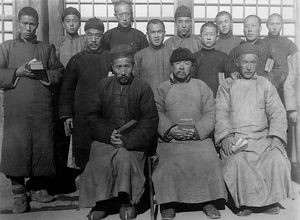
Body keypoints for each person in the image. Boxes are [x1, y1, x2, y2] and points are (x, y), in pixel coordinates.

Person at [79, 44, 159, 220]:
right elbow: (92, 115)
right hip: (107, 140)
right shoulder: (103, 86)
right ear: (112, 68)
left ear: (133, 67)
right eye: (118, 67)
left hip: (133, 142)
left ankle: (127, 201)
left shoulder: (142, 88)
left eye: (127, 66)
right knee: (99, 161)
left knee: (125, 159)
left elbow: (149, 121)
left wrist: (127, 140)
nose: (123, 71)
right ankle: (102, 204)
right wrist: (109, 134)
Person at [215, 43, 293, 216]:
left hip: (262, 139)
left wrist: (276, 137)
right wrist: (226, 136)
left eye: (252, 62)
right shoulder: (227, 85)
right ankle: (243, 202)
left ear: (257, 63)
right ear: (237, 63)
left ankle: (270, 200)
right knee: (237, 162)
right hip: (237, 140)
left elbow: (277, 113)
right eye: (245, 62)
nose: (249, 67)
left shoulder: (265, 84)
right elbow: (220, 114)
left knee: (276, 159)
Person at [0, 7, 64, 213]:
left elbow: (59, 71)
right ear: (18, 24)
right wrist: (16, 72)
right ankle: (18, 190)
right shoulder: (6, 47)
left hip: (41, 108)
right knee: (17, 146)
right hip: (17, 108)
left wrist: (45, 74)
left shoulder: (46, 48)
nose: (28, 28)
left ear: (37, 25)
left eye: (32, 24)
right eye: (24, 23)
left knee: (41, 144)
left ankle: (37, 187)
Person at [152, 47, 227, 220]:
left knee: (209, 159)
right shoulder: (162, 88)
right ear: (171, 66)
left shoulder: (202, 87)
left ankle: (207, 201)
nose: (181, 67)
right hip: (170, 139)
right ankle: (169, 203)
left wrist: (197, 131)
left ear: (192, 66)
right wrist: (171, 130)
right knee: (168, 163)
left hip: (198, 138)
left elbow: (210, 113)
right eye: (177, 63)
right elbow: (156, 112)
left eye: (186, 63)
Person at [59, 18, 111, 170]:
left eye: (98, 35)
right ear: (85, 36)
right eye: (90, 35)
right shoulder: (76, 60)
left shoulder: (110, 58)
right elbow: (67, 89)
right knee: (82, 151)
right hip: (81, 115)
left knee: (103, 150)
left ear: (102, 36)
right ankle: (85, 186)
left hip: (104, 114)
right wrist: (67, 115)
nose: (94, 39)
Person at [50, 6, 85, 194]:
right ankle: (63, 180)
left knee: (80, 134)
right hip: (62, 93)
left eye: (75, 20)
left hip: (81, 93)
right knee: (62, 136)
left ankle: (81, 175)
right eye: (68, 21)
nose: (72, 24)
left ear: (79, 22)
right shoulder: (56, 44)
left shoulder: (85, 42)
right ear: (63, 23)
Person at [227, 15, 288, 89]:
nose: (249, 29)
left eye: (253, 26)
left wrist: (263, 83)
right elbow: (230, 73)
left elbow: (282, 69)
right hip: (242, 92)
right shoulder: (236, 51)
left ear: (260, 28)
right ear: (243, 30)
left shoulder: (271, 46)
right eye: (246, 26)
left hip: (265, 91)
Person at [134, 19, 172, 96]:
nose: (156, 36)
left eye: (159, 32)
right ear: (147, 34)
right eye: (153, 32)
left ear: (164, 33)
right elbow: (135, 81)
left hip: (168, 98)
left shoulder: (172, 54)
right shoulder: (139, 55)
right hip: (147, 99)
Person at [193, 22, 230, 97]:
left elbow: (228, 81)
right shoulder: (194, 57)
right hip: (200, 97)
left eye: (212, 34)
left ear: (217, 37)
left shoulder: (223, 57)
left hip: (218, 97)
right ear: (200, 37)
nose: (209, 38)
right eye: (206, 34)